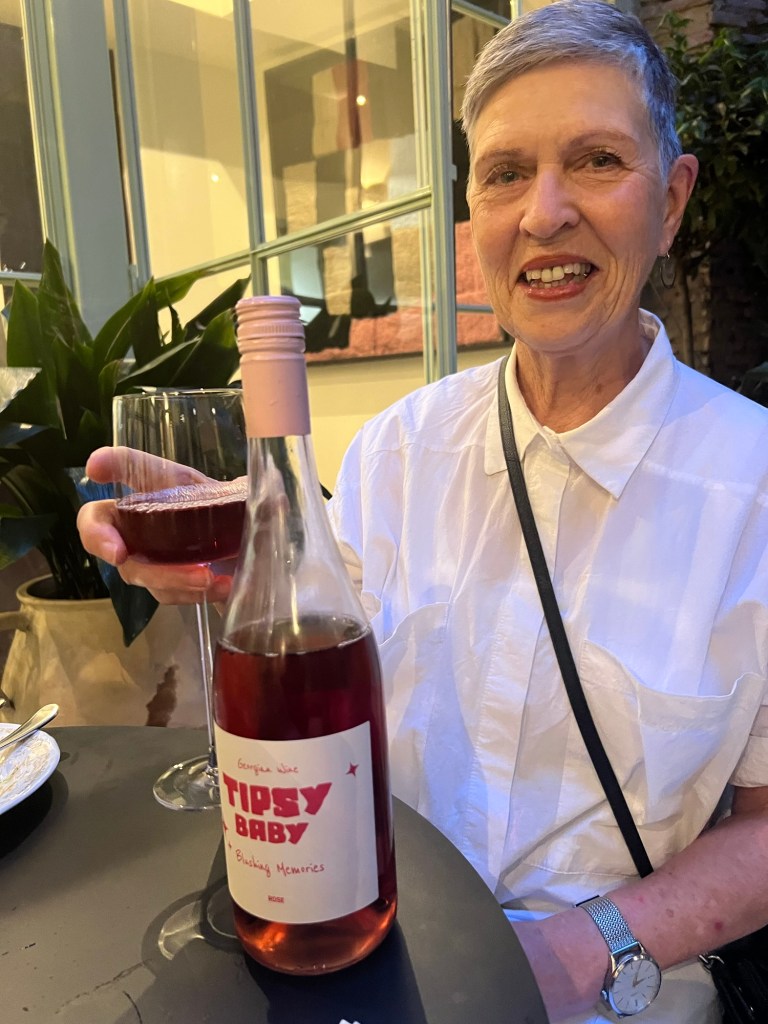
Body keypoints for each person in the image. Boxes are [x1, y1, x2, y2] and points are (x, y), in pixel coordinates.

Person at [78, 2, 768, 1021]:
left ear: (670, 202)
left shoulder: (753, 489)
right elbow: (316, 655)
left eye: (596, 161)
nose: (544, 214)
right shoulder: (396, 449)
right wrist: (243, 556)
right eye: (504, 173)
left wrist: (584, 947)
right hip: (381, 963)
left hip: (611, 995)